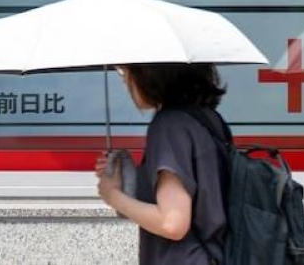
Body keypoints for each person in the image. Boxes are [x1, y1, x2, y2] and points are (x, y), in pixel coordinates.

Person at [95, 63, 229, 264]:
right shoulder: (207, 119)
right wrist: (133, 177)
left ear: (150, 74)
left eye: (127, 71)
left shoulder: (168, 126)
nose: (124, 80)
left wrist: (112, 195)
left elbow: (172, 223)